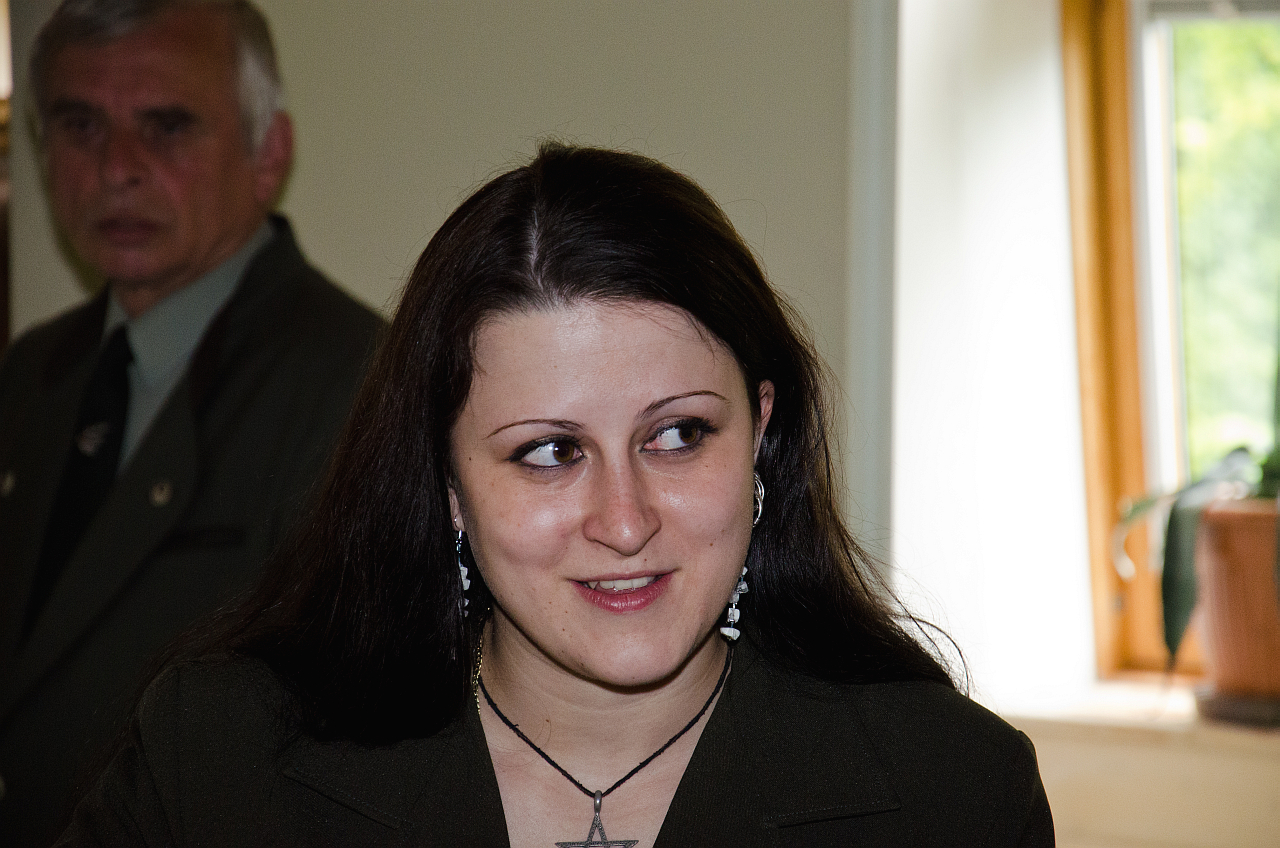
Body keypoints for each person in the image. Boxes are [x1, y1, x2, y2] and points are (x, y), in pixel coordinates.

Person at [57, 144, 1053, 847]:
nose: (624, 520)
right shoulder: (215, 761)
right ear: (446, 482)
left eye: (677, 434)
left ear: (760, 430)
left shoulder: (953, 790)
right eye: (547, 451)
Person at [0, 1, 383, 843]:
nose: (117, 169)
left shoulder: (361, 387)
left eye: (167, 126)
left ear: (268, 153)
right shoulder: (30, 372)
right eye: (80, 124)